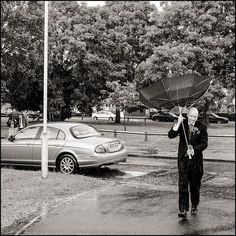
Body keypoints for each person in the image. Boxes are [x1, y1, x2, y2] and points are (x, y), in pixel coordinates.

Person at [168, 107, 208, 219]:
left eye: (195, 117)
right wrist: (178, 123)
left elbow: (204, 143)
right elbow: (170, 135)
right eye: (191, 116)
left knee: (195, 186)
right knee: (183, 185)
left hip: (196, 162)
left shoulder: (202, 127)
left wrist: (194, 150)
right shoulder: (182, 124)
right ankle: (183, 209)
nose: (193, 119)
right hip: (183, 161)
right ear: (188, 115)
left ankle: (194, 205)